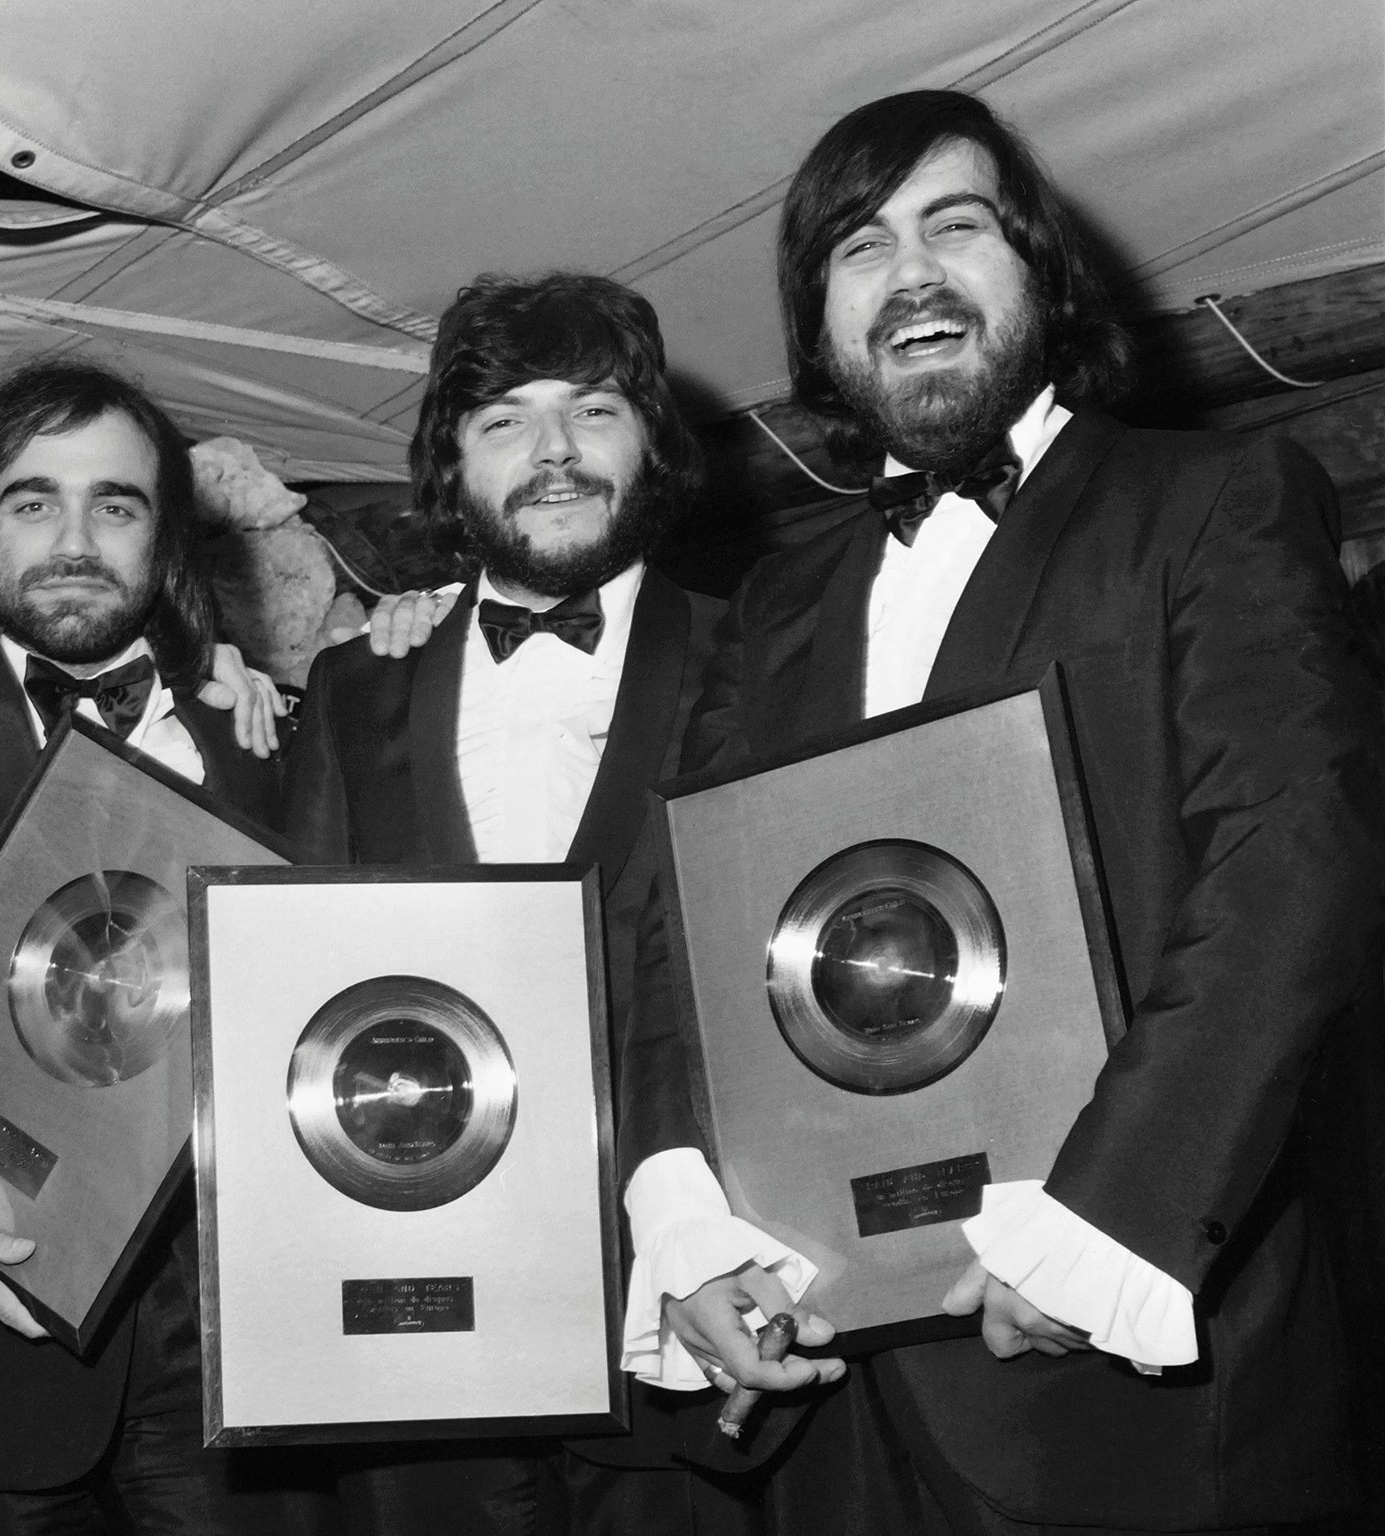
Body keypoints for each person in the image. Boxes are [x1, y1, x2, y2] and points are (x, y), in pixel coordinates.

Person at [644, 89, 1383, 1534]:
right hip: (832, 1409)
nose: (910, 271)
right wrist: (691, 1230)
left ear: (1040, 271)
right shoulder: (769, 611)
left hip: (1121, 1396)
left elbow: (1293, 861)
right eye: (860, 248)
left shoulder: (1215, 497)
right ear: (823, 326)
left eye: (956, 227)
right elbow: (695, 943)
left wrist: (1107, 1223)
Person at [283, 271, 844, 1536]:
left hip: (693, 1333)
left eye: (591, 414)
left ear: (651, 444)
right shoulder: (355, 687)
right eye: (502, 422)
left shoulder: (772, 654)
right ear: (447, 471)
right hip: (425, 1337)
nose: (552, 457)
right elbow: (298, 1010)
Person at [0, 359, 321, 1536]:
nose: (73, 538)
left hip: (238, 1375)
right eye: (32, 502)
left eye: (114, 505)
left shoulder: (268, 749)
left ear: (163, 542)